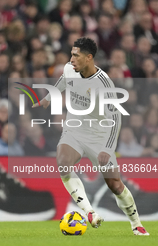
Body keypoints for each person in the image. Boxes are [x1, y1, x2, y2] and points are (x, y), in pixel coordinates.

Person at [32, 37, 149, 235]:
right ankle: (90, 212)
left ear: (89, 58)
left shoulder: (104, 84)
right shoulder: (70, 68)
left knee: (115, 185)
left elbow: (116, 119)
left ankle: (136, 223)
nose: (71, 59)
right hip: (75, 129)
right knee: (63, 163)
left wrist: (107, 148)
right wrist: (46, 99)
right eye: (71, 54)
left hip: (100, 135)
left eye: (76, 56)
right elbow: (63, 80)